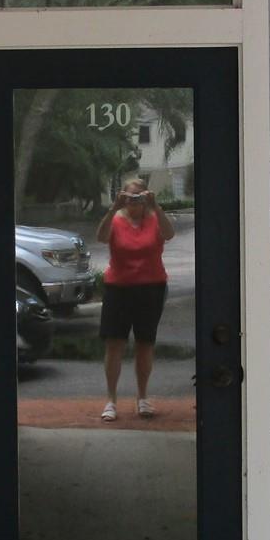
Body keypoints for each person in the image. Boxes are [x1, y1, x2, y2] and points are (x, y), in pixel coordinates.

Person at [94, 178, 175, 421]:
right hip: (119, 288)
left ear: (146, 197)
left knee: (145, 343)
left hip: (151, 288)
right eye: (130, 196)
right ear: (123, 197)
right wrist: (113, 207)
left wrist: (156, 206)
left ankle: (143, 397)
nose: (135, 201)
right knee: (115, 343)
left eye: (139, 196)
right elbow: (101, 237)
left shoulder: (154, 218)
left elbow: (169, 234)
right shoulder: (116, 219)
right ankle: (111, 400)